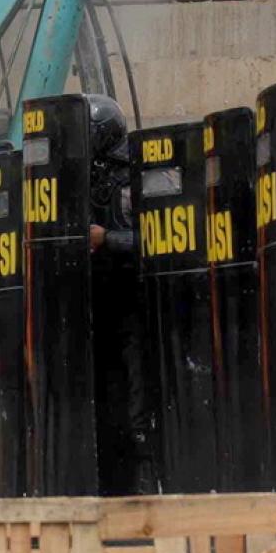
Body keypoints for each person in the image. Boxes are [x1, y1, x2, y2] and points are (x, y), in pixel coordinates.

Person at [85, 94, 159, 495]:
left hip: (134, 304)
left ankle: (144, 499)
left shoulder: (136, 177)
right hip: (96, 306)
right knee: (104, 408)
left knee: (137, 409)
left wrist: (106, 239)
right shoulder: (83, 177)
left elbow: (162, 238)